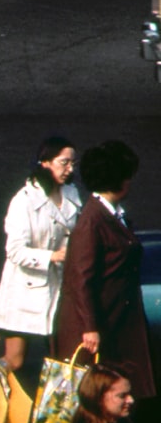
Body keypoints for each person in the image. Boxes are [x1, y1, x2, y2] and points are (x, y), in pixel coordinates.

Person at [54, 140, 154, 398]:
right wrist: (90, 326)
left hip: (114, 320)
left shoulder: (111, 214)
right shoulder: (93, 220)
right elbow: (81, 278)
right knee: (94, 393)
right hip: (95, 327)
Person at [0, 137, 82, 393]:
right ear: (45, 163)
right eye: (63, 162)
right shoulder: (24, 200)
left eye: (72, 163)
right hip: (24, 294)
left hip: (58, 289)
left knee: (60, 360)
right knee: (14, 360)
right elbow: (15, 251)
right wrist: (52, 256)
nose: (70, 169)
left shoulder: (71, 194)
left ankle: (51, 419)